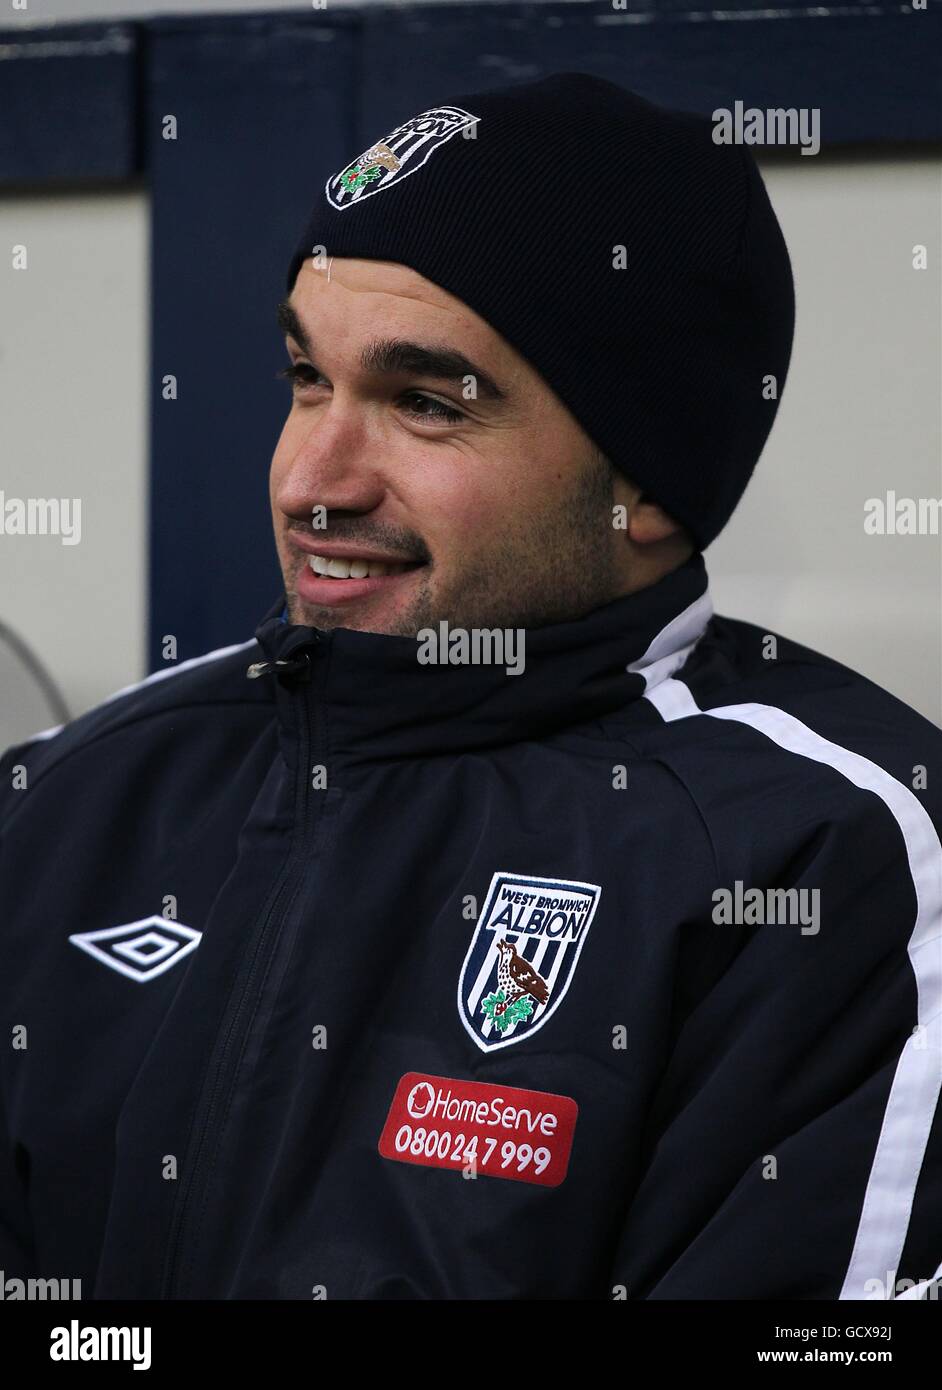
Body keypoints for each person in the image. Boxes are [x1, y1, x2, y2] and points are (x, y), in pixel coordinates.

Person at [1, 72, 939, 1301]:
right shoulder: (70, 798)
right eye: (305, 378)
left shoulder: (825, 860)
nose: (311, 481)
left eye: (427, 405)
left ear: (646, 483)